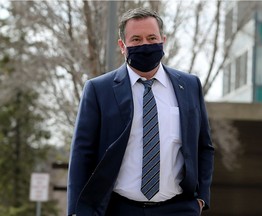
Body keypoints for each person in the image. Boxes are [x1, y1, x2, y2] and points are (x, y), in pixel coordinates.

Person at [67, 7, 214, 216]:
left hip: (178, 208)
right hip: (117, 209)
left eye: (152, 37)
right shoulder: (99, 90)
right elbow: (82, 153)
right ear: (122, 45)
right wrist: (75, 211)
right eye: (136, 39)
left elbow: (203, 146)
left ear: (163, 40)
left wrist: (201, 198)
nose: (145, 44)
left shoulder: (189, 85)